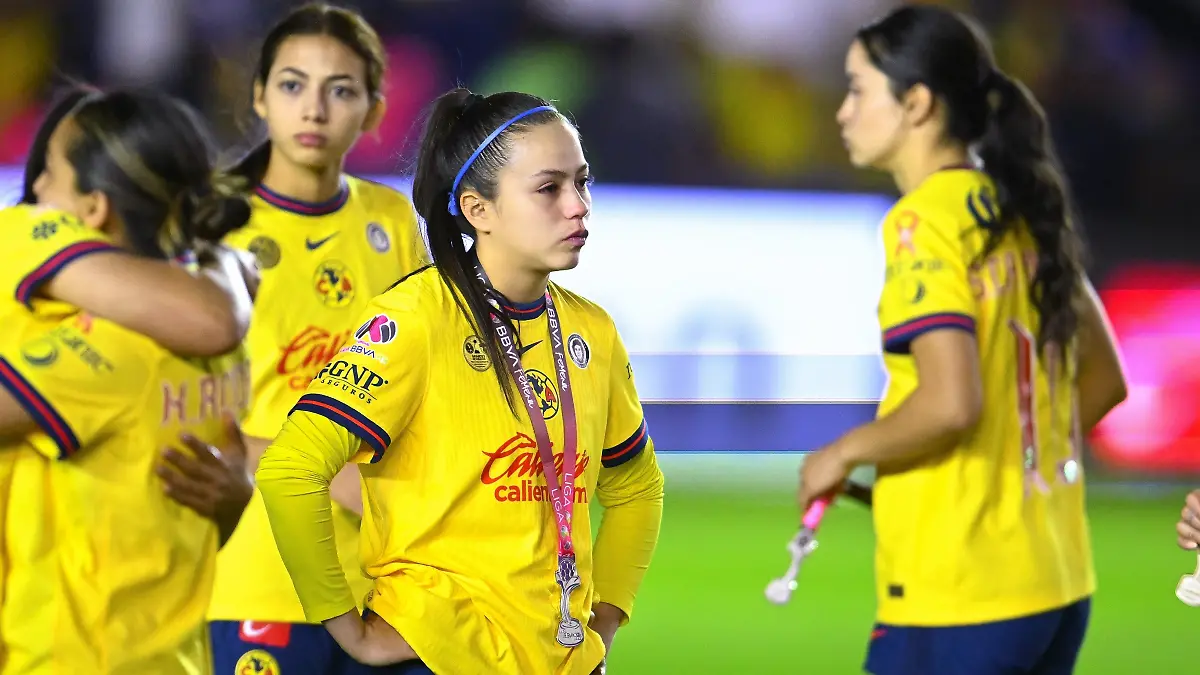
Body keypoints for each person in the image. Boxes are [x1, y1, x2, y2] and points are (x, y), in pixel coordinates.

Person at [255, 87, 665, 675]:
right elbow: (290, 469)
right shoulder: (415, 319)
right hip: (439, 656)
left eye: (583, 182)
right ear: (478, 210)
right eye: (549, 188)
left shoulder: (592, 332)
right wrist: (350, 631)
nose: (577, 205)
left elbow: (636, 486)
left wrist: (600, 627)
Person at [798, 6, 1128, 675]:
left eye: (859, 88)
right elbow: (1105, 379)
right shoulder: (1021, 207)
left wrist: (842, 452)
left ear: (915, 103)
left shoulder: (922, 223)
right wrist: (1004, 469)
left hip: (961, 594)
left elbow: (951, 403)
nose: (842, 111)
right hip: (1055, 581)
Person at [205, 5, 428, 674]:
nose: (315, 109)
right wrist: (327, 472)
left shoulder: (390, 219)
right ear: (259, 96)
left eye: (341, 90)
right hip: (262, 568)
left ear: (372, 108)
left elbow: (423, 383)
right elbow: (184, 412)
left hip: (387, 578)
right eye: (293, 85)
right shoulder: (214, 225)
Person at [0, 89, 254, 674]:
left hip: (71, 658)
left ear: (93, 210)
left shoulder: (108, 347)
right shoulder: (211, 343)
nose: (34, 191)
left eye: (51, 177)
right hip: (174, 657)